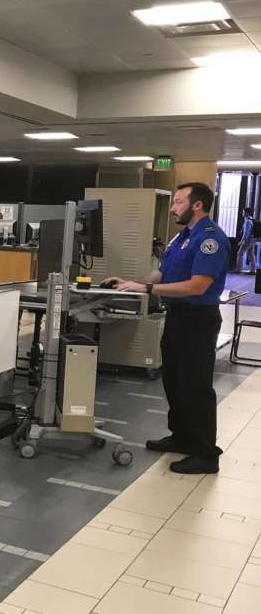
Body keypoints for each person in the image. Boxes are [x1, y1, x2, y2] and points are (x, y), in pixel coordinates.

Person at [104, 182, 229, 474]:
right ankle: (182, 437)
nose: (172, 208)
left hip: (198, 320)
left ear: (197, 205)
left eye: (178, 202)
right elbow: (160, 273)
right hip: (176, 317)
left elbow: (198, 286)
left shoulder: (210, 239)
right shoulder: (180, 238)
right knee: (175, 381)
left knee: (196, 387)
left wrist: (147, 287)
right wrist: (130, 284)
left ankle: (205, 454)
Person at [237, 207, 256, 273]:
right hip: (253, 239)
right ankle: (253, 270)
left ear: (246, 213)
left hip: (248, 239)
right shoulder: (252, 219)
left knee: (240, 253)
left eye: (243, 212)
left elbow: (246, 233)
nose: (242, 213)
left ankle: (238, 269)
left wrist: (241, 241)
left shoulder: (247, 221)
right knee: (251, 254)